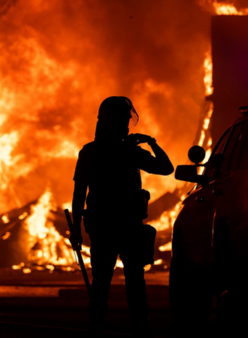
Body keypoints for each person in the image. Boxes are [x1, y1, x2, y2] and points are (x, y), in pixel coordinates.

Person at [71, 96, 174, 336]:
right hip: (122, 226)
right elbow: (165, 167)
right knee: (130, 284)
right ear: (109, 121)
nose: (126, 124)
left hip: (110, 227)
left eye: (126, 119)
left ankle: (100, 327)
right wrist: (150, 143)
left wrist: (76, 228)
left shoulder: (92, 151)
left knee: (105, 284)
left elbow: (78, 194)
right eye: (122, 119)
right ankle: (137, 329)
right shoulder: (124, 152)